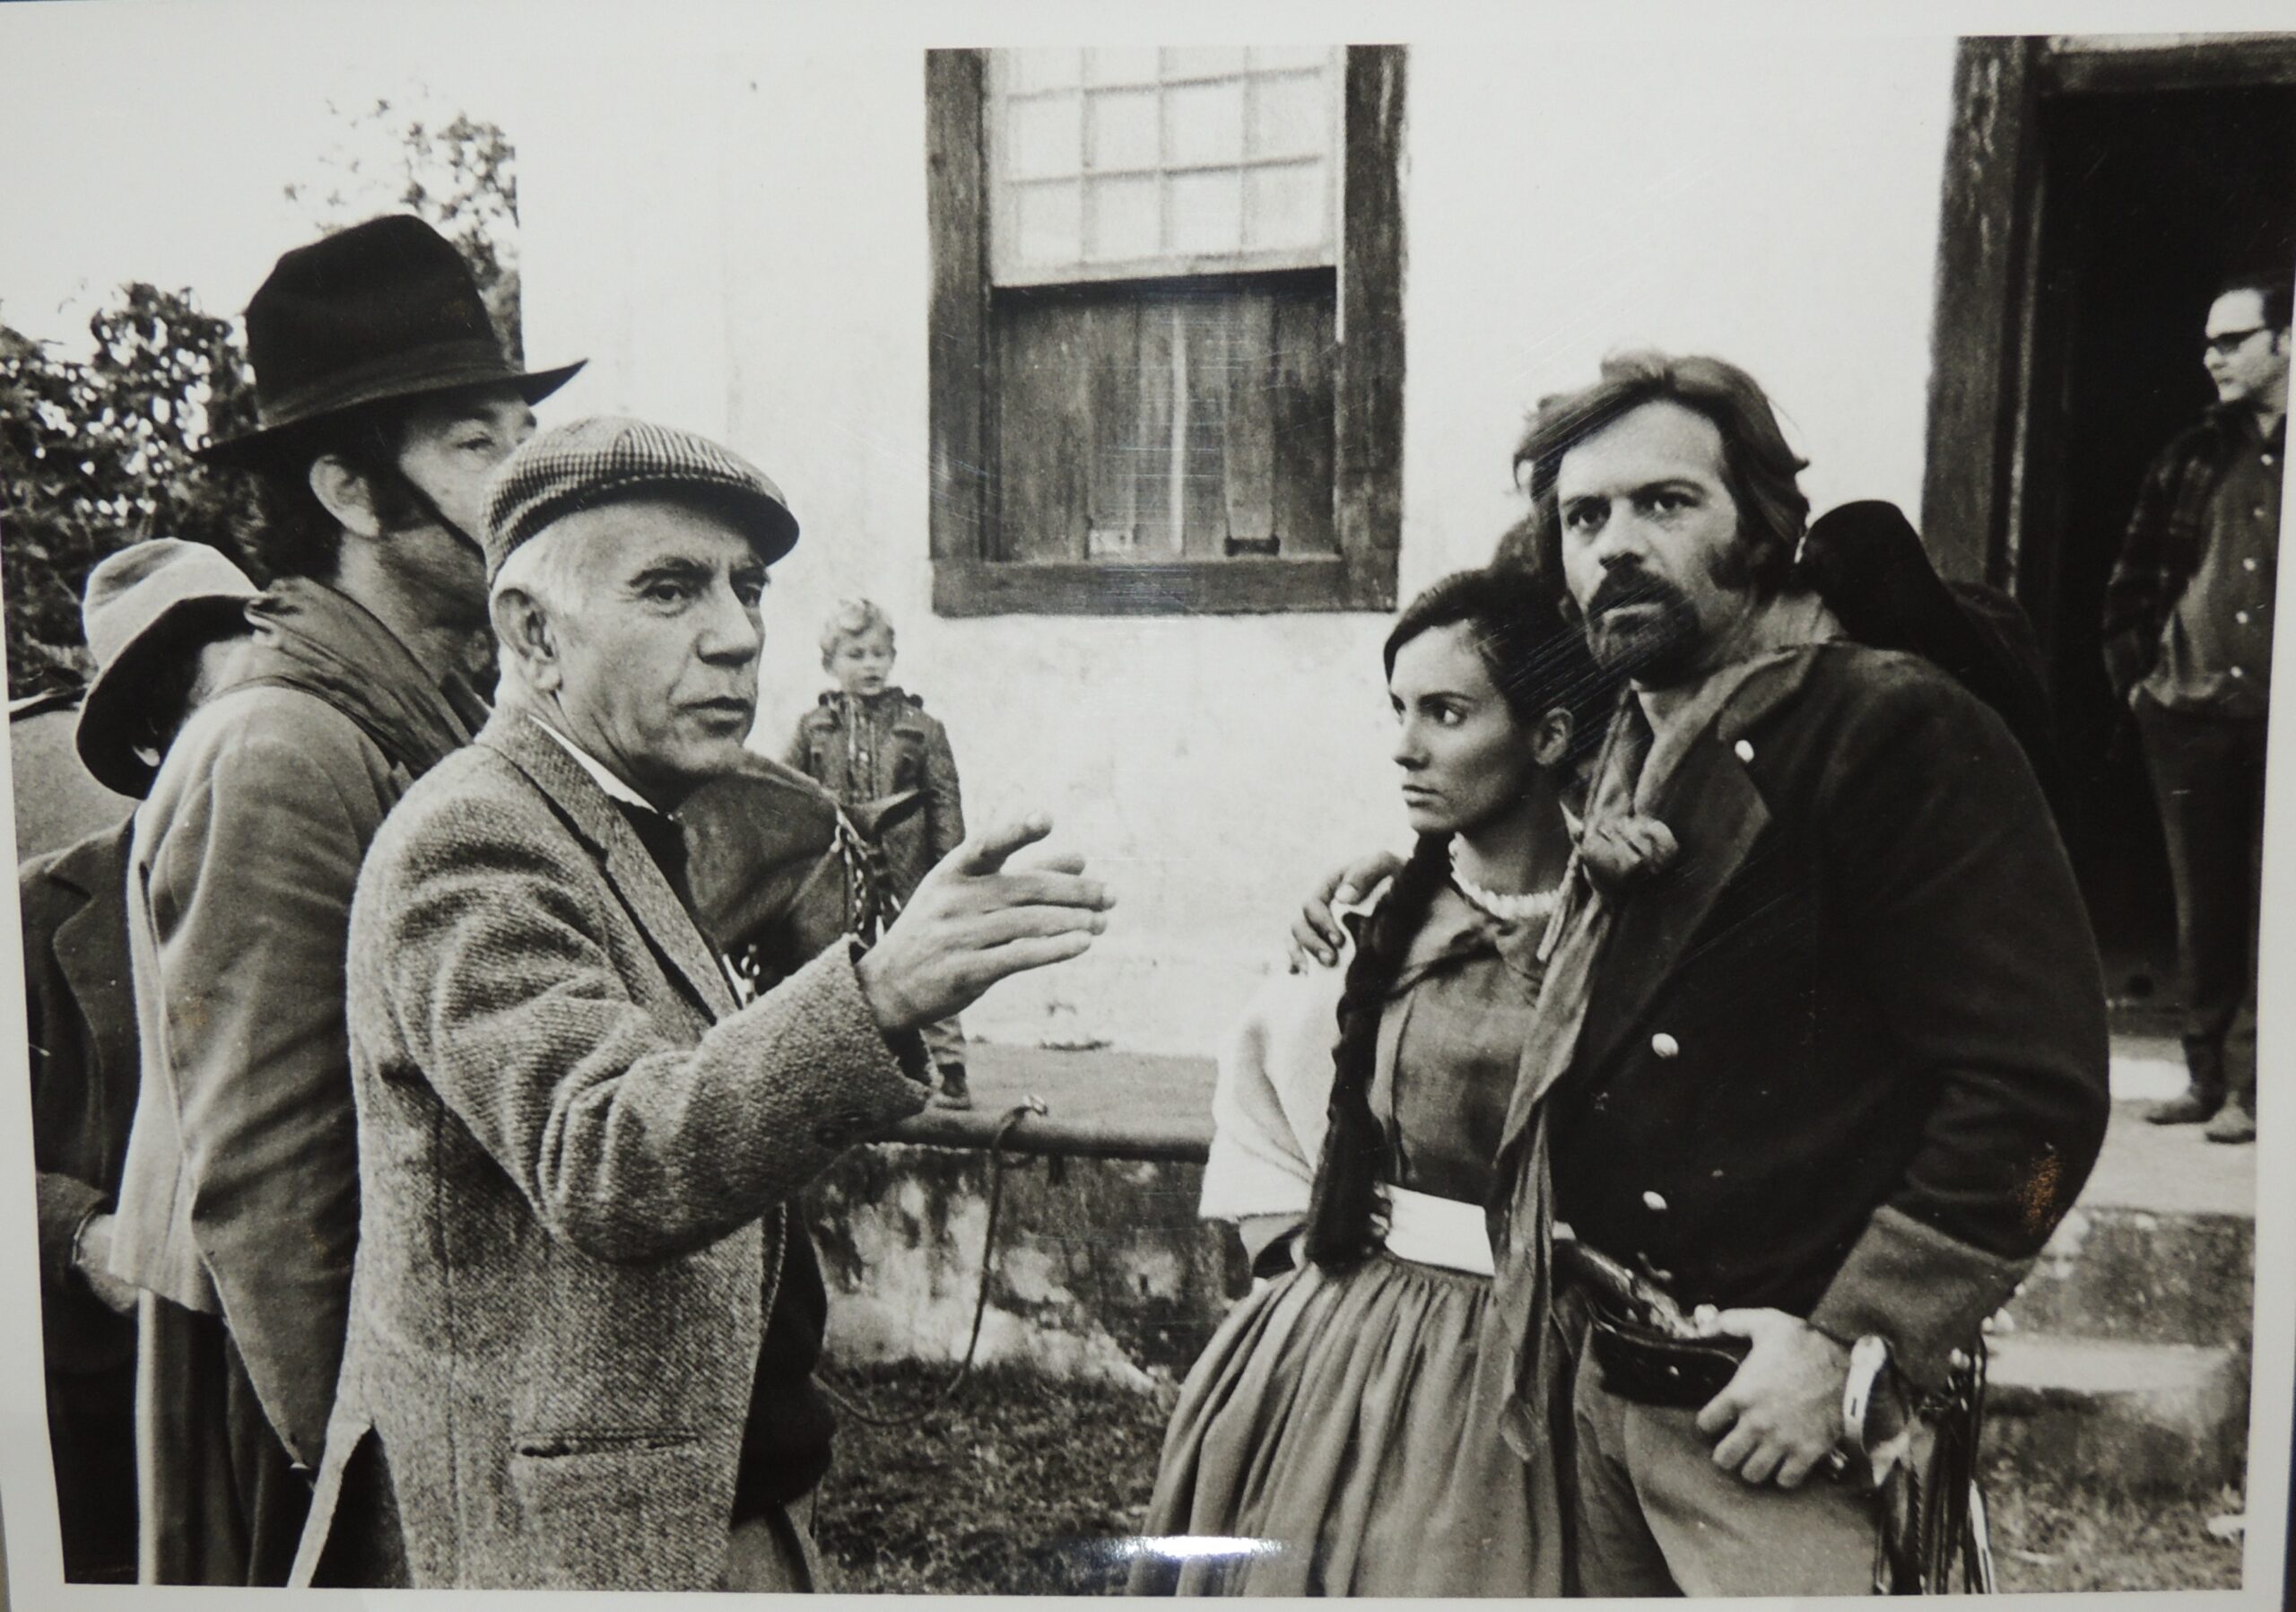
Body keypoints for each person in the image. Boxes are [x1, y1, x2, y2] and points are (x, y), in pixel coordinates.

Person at [288, 416, 1113, 1591]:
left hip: (693, 1504)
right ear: (534, 633)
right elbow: (605, 1154)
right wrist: (879, 992)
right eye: (670, 590)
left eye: (748, 587)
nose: (736, 635)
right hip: (576, 1548)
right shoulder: (473, 836)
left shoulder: (622, 816)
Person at [1475, 351, 2111, 1597]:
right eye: (1584, 518)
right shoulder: (1634, 741)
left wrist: (1855, 1344)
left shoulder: (1892, 725)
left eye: (1666, 503)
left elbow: (2040, 1108)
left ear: (1761, 529)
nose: (1615, 544)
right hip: (1602, 1380)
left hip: (1776, 1420)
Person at [104, 213, 583, 1585]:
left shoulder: (418, 704)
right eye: (478, 445)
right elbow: (272, 1180)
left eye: (526, 435)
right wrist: (386, 1497)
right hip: (298, 1405)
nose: (529, 483)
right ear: (351, 492)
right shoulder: (281, 745)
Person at [1131, 567, 1616, 1596]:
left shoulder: (1626, 928)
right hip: (1355, 1346)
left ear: (1548, 735)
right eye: (1398, 709)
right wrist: (1307, 1276)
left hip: (1552, 1367)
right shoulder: (1374, 924)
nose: (1405, 746)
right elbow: (1266, 1104)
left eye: (1446, 713)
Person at [20, 538, 258, 1582]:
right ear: (157, 741)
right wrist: (85, 1237)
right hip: (108, 1422)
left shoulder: (357, 875)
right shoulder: (39, 914)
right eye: (234, 715)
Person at [2100, 267, 2287, 1144]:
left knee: (2275, 908)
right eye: (2208, 342)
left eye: (2232, 340)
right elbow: (2131, 583)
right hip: (2188, 715)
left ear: (2287, 342)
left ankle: (2257, 1088)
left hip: (2279, 720)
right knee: (2202, 906)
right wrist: (2141, 688)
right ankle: (2205, 1078)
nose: (2211, 356)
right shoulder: (2190, 456)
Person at [787, 597, 972, 1107]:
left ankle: (949, 1067)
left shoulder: (921, 728)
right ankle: (855, 1070)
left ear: (892, 657)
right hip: (841, 865)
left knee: (928, 955)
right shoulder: (813, 729)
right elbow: (790, 796)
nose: (869, 665)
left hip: (908, 861)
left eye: (878, 654)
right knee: (842, 964)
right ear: (830, 663)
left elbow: (944, 800)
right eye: (855, 655)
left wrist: (951, 864)